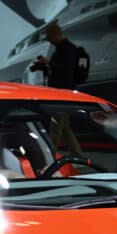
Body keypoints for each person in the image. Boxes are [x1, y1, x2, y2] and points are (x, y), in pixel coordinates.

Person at [31, 20, 84, 154]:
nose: (49, 41)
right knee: (65, 129)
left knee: (55, 130)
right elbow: (58, 69)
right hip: (62, 94)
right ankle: (80, 158)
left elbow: (65, 71)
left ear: (54, 35)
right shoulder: (62, 49)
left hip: (62, 96)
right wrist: (43, 66)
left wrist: (49, 63)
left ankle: (48, 158)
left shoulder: (68, 50)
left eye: (49, 38)